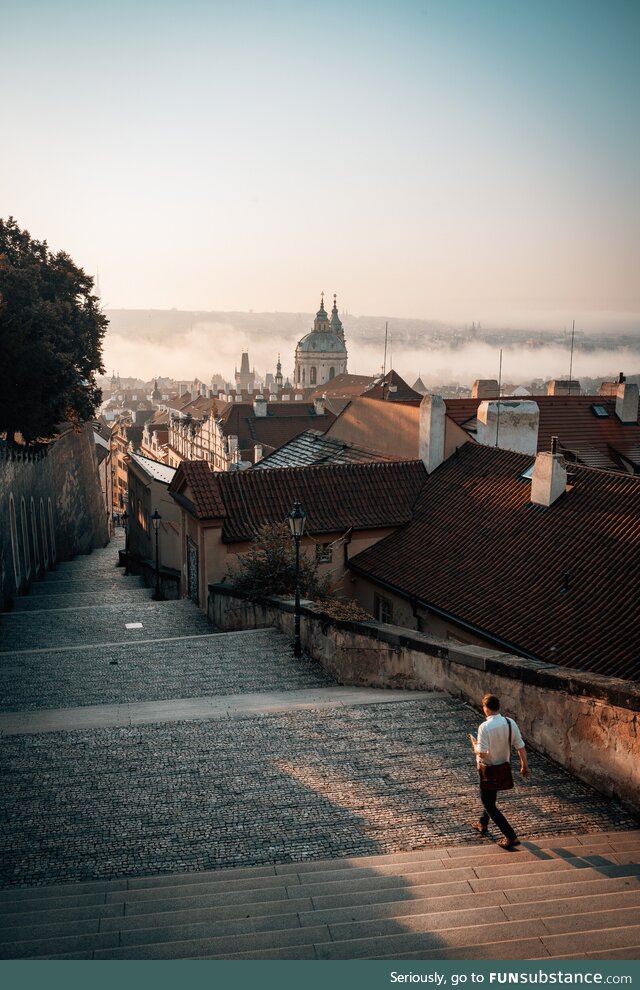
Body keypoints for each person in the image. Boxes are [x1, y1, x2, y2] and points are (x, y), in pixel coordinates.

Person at [469, 693, 529, 848]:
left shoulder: (484, 727)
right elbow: (520, 746)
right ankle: (482, 823)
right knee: (490, 799)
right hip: (503, 767)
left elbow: (483, 752)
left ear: (486, 709)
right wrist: (524, 766)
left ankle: (510, 836)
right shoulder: (510, 723)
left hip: (488, 770)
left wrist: (475, 746)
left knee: (488, 803)